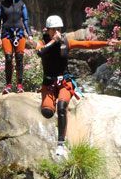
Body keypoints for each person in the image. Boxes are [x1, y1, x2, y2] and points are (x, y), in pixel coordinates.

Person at [34, 15, 113, 157]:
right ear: (48, 30)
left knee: (62, 106)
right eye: (54, 30)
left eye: (58, 29)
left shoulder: (66, 42)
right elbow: (40, 52)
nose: (57, 32)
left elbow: (87, 45)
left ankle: (60, 144)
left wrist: (108, 43)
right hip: (49, 83)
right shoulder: (42, 42)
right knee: (47, 112)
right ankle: (48, 104)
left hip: (64, 81)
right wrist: (53, 41)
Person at [0, 0, 31, 94]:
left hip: (19, 34)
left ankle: (19, 85)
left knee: (19, 59)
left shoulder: (21, 3)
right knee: (9, 59)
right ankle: (8, 85)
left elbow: (25, 19)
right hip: (6, 34)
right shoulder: (1, 5)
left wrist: (29, 34)